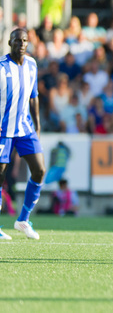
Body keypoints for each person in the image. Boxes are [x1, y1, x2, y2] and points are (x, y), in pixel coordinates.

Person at [0, 28, 47, 240]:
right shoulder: (1, 67)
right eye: (17, 40)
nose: (21, 43)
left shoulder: (32, 64)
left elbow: (34, 96)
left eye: (25, 40)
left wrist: (37, 125)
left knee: (39, 170)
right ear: (9, 42)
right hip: (3, 130)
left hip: (25, 128)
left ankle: (23, 220)